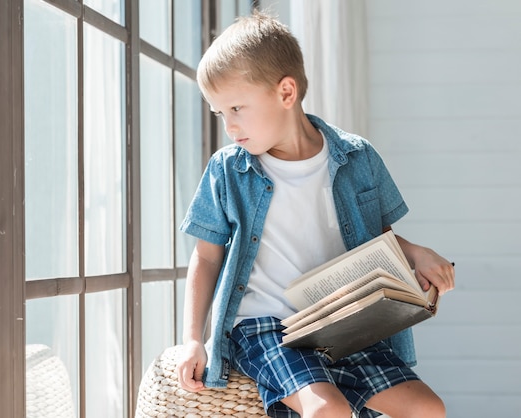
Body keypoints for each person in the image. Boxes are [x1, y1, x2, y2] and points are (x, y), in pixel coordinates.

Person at [175, 11, 455, 418]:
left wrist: (416, 254)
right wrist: (192, 339)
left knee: (429, 409)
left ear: (286, 92)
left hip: (341, 323)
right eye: (221, 114)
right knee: (328, 410)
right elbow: (206, 257)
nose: (229, 127)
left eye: (237, 108)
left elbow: (379, 239)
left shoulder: (357, 157)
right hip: (265, 326)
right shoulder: (228, 170)